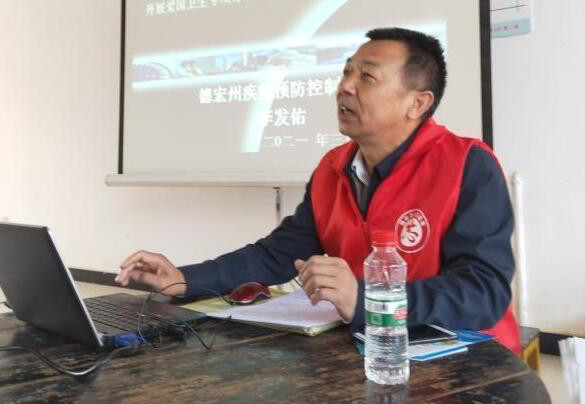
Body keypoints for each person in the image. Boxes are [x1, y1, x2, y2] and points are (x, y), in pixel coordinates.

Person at [116, 27, 520, 353]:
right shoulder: (333, 167)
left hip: (466, 362)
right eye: (346, 73)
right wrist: (183, 278)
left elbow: (483, 292)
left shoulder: (468, 165)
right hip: (367, 350)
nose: (345, 87)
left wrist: (367, 299)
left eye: (367, 77)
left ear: (417, 103)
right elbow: (278, 253)